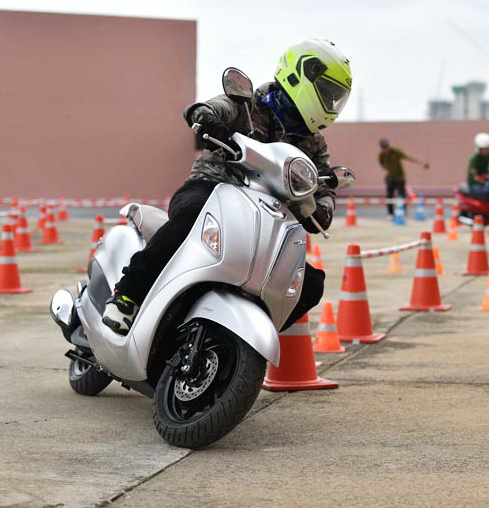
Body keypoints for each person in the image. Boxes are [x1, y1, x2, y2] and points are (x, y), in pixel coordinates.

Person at [102, 39, 352, 335]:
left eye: (336, 97)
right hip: (211, 188)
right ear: (300, 77)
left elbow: (323, 184)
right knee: (190, 217)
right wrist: (207, 117)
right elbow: (209, 108)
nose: (331, 103)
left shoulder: (313, 142)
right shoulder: (245, 104)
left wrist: (322, 207)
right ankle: (128, 294)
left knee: (309, 283)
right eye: (327, 93)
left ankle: (244, 340)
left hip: (264, 217)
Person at [377, 139, 429, 217]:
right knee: (389, 195)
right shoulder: (382, 155)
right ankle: (390, 214)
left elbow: (408, 157)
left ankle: (403, 212)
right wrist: (385, 167)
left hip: (400, 177)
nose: (386, 149)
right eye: (384, 148)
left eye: (387, 147)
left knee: (402, 195)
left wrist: (421, 163)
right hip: (390, 177)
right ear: (382, 148)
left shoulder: (396, 151)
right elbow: (381, 163)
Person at [466, 133, 489, 200]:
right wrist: (485, 182)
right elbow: (475, 177)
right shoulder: (474, 159)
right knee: (484, 194)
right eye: (484, 149)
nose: (486, 151)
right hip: (474, 184)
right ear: (479, 149)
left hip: (486, 181)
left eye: (487, 149)